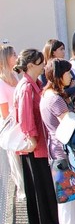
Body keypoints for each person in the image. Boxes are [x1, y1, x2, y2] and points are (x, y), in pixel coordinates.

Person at [40, 59, 75, 224]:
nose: (71, 76)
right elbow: (68, 123)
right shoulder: (55, 99)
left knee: (71, 192)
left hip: (56, 149)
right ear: (59, 75)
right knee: (70, 195)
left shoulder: (48, 95)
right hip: (62, 150)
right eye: (67, 72)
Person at [13, 49, 59, 224]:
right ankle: (44, 221)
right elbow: (25, 117)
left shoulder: (33, 84)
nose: (43, 66)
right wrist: (31, 137)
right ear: (31, 65)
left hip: (38, 140)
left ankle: (47, 220)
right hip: (35, 142)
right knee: (39, 182)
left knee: (42, 182)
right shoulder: (26, 87)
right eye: (40, 63)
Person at [0, 45, 25, 200]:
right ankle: (22, 191)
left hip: (21, 124)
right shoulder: (1, 83)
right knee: (15, 161)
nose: (16, 57)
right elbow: (4, 112)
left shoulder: (16, 77)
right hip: (11, 126)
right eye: (13, 54)